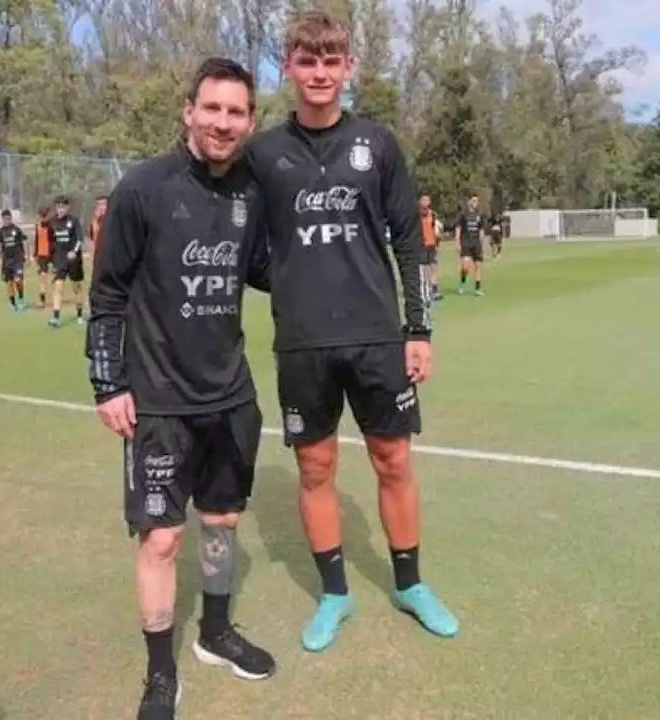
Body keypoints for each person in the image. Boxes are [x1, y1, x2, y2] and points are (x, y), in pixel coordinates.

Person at [245, 9, 458, 653]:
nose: (318, 72)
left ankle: (411, 584)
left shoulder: (378, 145)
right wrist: (288, 282)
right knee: (316, 468)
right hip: (302, 343)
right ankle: (335, 593)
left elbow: (409, 244)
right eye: (307, 61)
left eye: (330, 61)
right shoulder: (263, 154)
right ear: (288, 67)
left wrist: (417, 330)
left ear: (348, 68)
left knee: (394, 461)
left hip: (377, 339)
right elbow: (246, 243)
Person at [87, 56, 276, 720]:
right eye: (213, 108)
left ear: (250, 121)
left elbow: (265, 270)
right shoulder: (143, 189)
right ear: (188, 111)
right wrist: (107, 382)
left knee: (221, 523)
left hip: (231, 398)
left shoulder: (251, 193)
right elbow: (107, 295)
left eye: (237, 112)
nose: (223, 122)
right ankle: (160, 673)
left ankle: (217, 634)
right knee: (163, 539)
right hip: (160, 402)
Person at [46, 196, 85, 328]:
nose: (60, 209)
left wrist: (74, 251)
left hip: (74, 259)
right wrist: (51, 261)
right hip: (59, 259)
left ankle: (80, 315)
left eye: (63, 206)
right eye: (58, 207)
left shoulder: (74, 221)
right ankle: (55, 318)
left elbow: (80, 239)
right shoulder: (52, 223)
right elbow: (50, 243)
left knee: (76, 287)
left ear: (67, 207)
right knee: (58, 287)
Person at [0, 209, 28, 311]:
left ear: (11, 218)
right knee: (9, 283)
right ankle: (13, 304)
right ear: (2, 219)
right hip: (6, 261)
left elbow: (25, 242)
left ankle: (21, 298)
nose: (7, 220)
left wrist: (28, 256)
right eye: (5, 219)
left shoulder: (17, 230)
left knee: (18, 280)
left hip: (17, 259)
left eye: (8, 218)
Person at [456, 195, 486, 296]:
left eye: (476, 201)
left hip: (476, 244)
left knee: (477, 266)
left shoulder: (479, 215)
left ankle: (477, 289)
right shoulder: (463, 214)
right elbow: (458, 229)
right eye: (473, 200)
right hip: (466, 243)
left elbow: (481, 230)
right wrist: (457, 243)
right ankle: (462, 282)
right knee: (465, 266)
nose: (475, 203)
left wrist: (482, 243)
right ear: (469, 202)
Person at [420, 194, 442, 301]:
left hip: (432, 244)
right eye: (423, 200)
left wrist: (437, 243)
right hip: (422, 245)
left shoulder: (433, 215)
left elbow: (436, 230)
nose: (425, 202)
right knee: (425, 269)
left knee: (434, 267)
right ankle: (426, 290)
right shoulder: (417, 215)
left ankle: (434, 290)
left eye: (426, 200)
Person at [33, 207, 53, 308]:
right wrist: (35, 255)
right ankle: (42, 300)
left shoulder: (52, 226)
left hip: (53, 254)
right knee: (42, 277)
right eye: (41, 216)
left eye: (44, 216)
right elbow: (36, 241)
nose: (43, 218)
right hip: (42, 255)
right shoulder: (38, 226)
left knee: (57, 277)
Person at [88, 195, 108, 260]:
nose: (101, 207)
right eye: (98, 204)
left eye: (104, 204)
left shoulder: (114, 220)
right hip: (98, 255)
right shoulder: (94, 222)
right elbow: (91, 239)